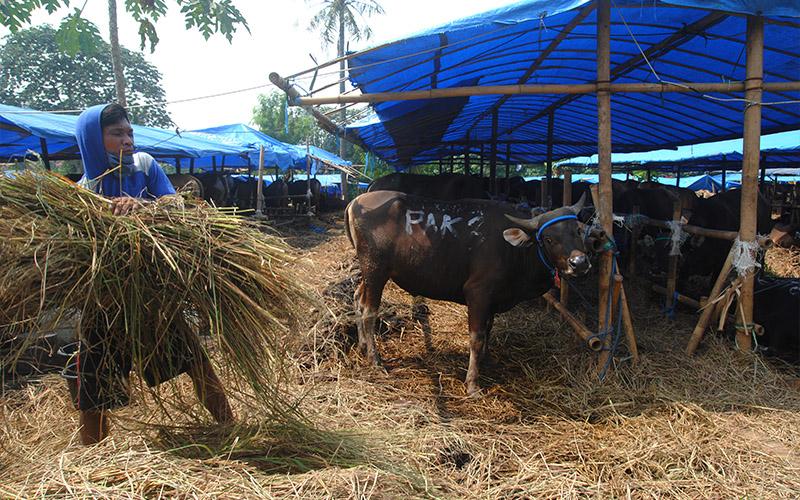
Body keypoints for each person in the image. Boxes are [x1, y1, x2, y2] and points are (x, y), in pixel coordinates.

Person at [72, 103, 234, 445]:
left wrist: (142, 206)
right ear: (93, 140)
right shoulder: (81, 193)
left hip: (152, 298)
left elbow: (176, 207)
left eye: (129, 132)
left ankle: (230, 429)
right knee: (94, 384)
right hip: (105, 304)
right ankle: (91, 462)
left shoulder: (145, 166)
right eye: (117, 134)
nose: (128, 140)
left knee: (196, 362)